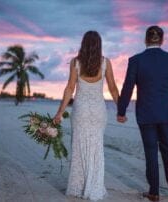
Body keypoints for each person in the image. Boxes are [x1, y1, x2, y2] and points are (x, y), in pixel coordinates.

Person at [117, 25, 168, 201]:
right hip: (165, 114)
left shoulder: (136, 60)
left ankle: (154, 193)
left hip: (146, 114)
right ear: (162, 40)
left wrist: (121, 110)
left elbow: (128, 87)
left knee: (150, 152)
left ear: (145, 39)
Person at [53, 31, 119, 201]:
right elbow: (112, 88)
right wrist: (121, 108)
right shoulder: (105, 63)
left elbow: (69, 88)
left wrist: (60, 112)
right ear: (99, 45)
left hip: (81, 110)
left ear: (83, 44)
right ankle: (93, 186)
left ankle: (79, 186)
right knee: (96, 147)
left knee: (79, 147)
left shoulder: (76, 63)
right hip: (98, 110)